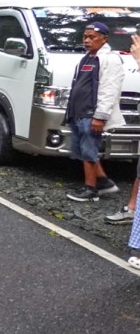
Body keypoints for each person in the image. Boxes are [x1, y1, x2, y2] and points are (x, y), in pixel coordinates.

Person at [63, 22, 125, 202]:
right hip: (78, 112)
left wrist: (100, 116)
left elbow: (110, 89)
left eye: (92, 37)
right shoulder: (88, 57)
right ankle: (105, 184)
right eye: (85, 37)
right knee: (81, 150)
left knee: (89, 151)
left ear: (104, 39)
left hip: (92, 114)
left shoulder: (110, 59)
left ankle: (91, 189)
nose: (87, 40)